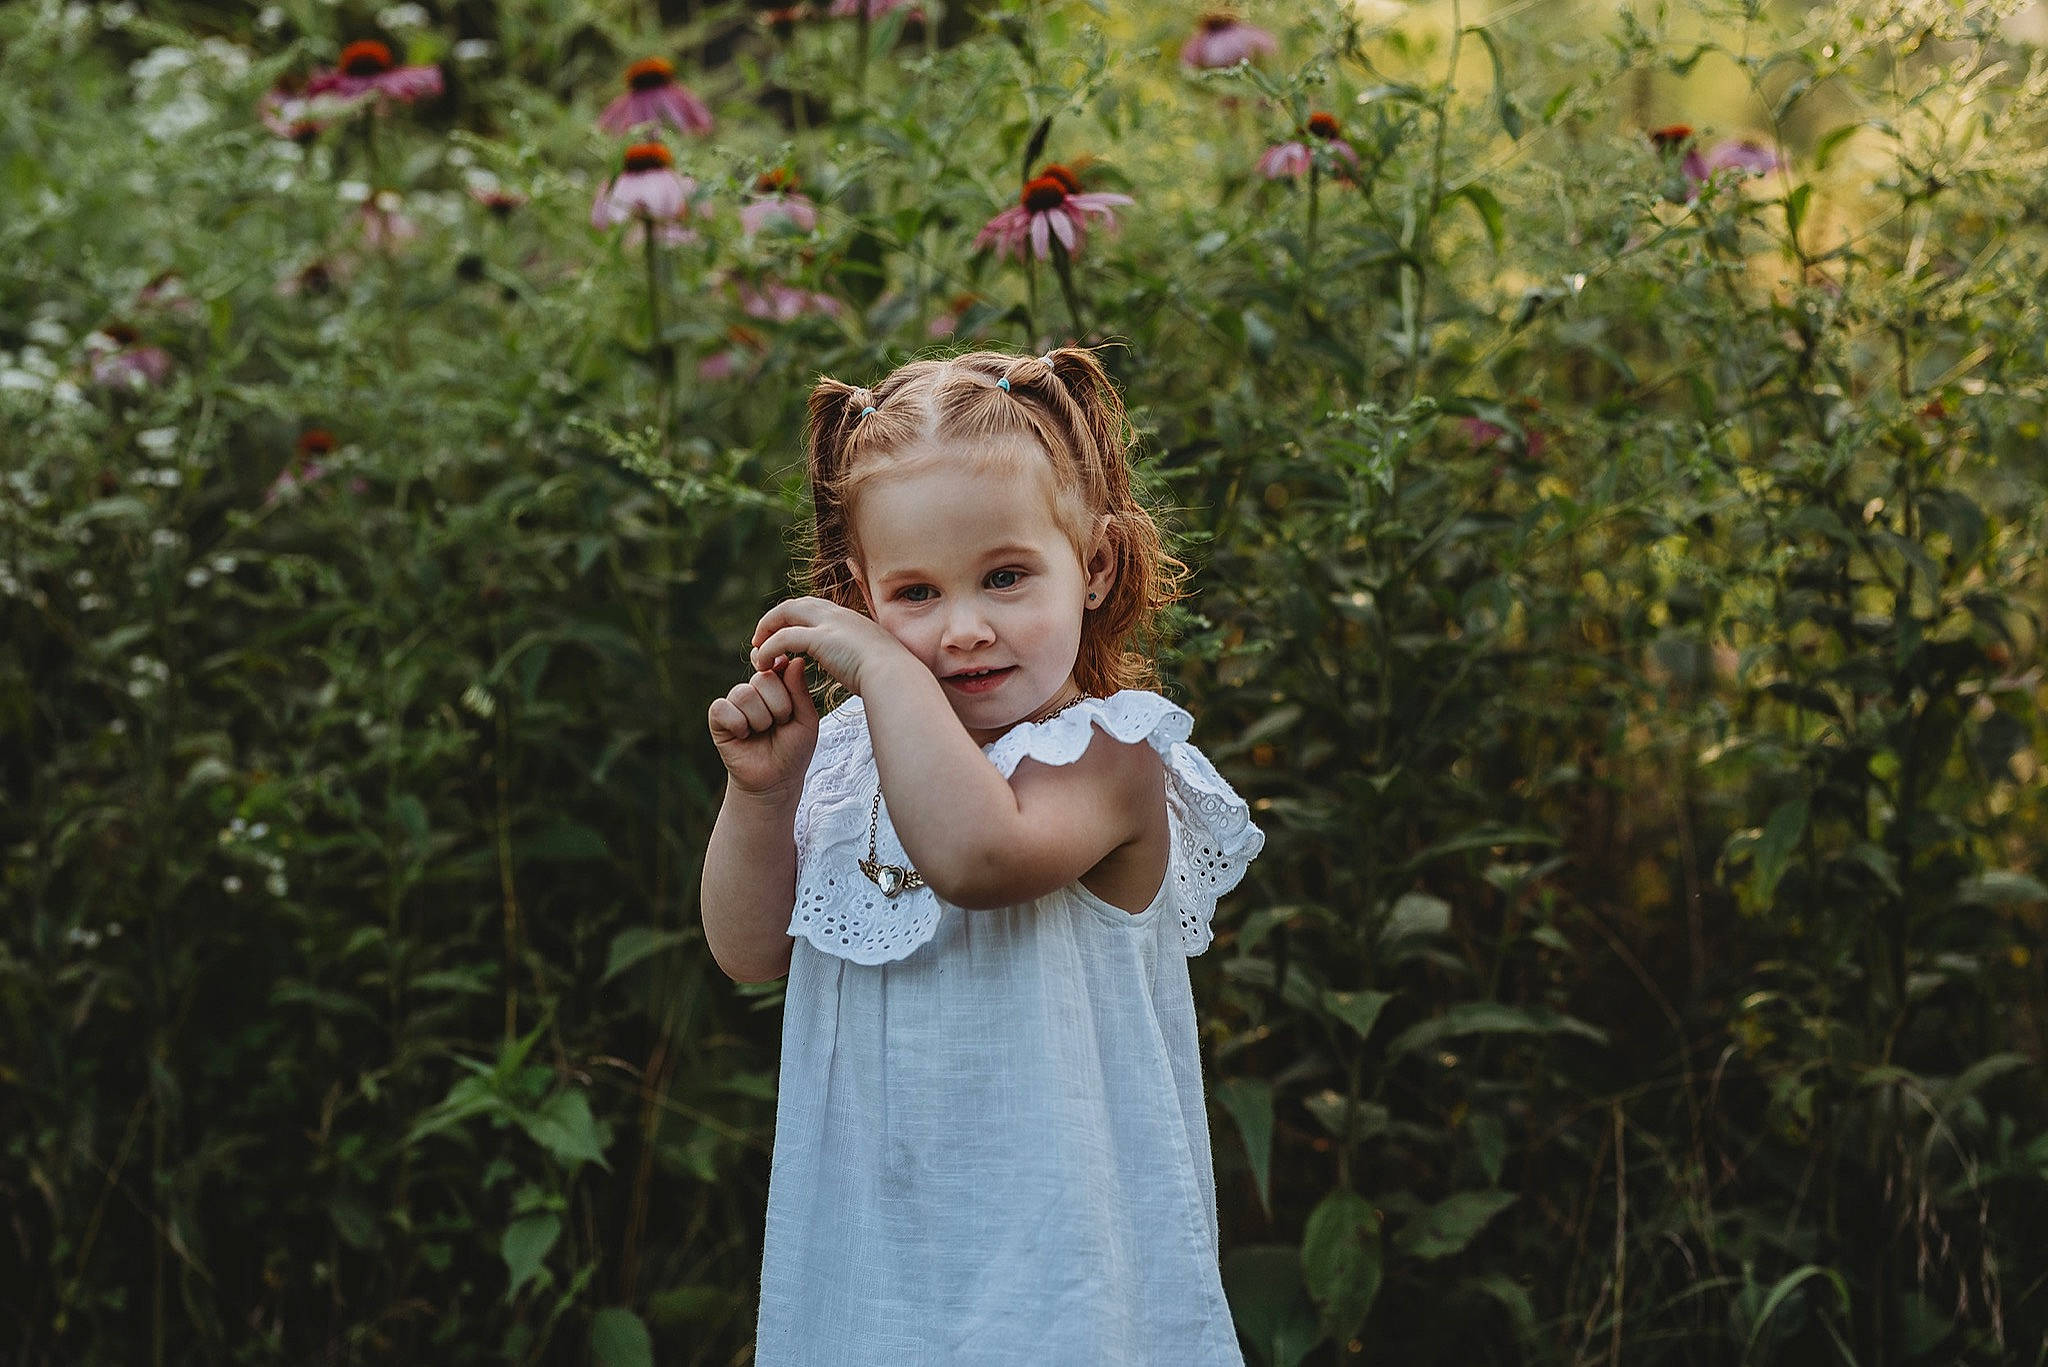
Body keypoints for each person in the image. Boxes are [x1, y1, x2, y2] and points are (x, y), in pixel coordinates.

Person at [701, 346, 1264, 1365]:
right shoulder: (841, 760)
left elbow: (977, 855)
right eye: (913, 594)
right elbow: (747, 948)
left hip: (1053, 1273)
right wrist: (764, 792)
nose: (962, 629)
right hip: (875, 1260)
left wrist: (877, 664)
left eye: (1005, 576)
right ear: (858, 589)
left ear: (1092, 565)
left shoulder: (1106, 755)